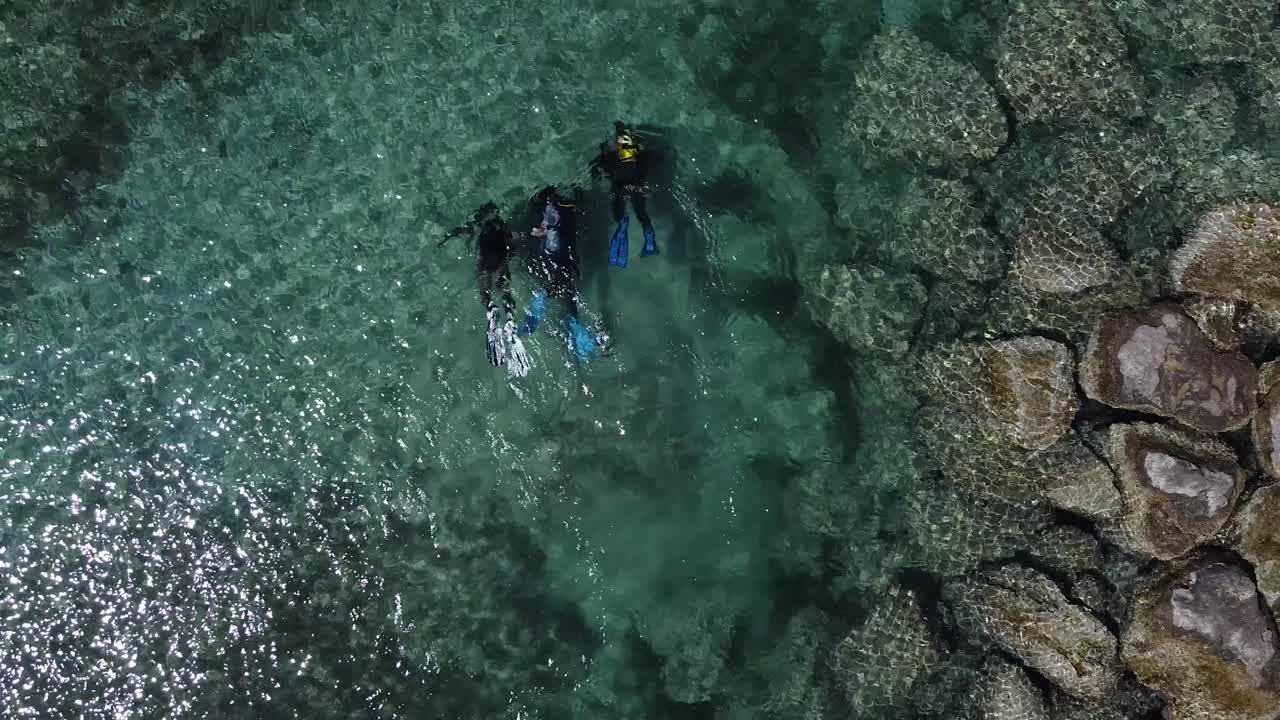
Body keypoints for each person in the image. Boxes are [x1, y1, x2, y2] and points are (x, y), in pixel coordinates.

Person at [439, 202, 532, 377]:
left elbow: (459, 231)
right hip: (499, 261)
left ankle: (490, 308)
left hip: (484, 262)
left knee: (485, 291)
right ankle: (510, 317)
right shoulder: (503, 229)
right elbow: (518, 236)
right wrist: (533, 235)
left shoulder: (478, 227)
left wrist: (446, 238)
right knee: (504, 289)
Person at [519, 186, 610, 362]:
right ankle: (583, 343)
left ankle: (542, 307)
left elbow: (539, 231)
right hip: (566, 259)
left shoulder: (548, 212)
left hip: (554, 257)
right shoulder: (568, 210)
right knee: (570, 298)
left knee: (560, 289)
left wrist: (531, 231)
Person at [590, 121, 657, 268]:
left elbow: (598, 166)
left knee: (618, 212)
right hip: (637, 186)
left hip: (620, 187)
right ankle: (650, 239)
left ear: (618, 143)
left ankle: (622, 222)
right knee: (641, 213)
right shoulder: (640, 156)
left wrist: (600, 155)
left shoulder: (612, 157)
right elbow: (653, 159)